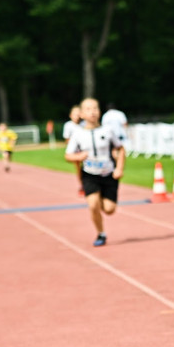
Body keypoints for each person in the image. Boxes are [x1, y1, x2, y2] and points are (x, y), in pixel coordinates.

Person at [64, 98, 125, 247]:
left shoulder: (108, 130)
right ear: (82, 114)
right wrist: (78, 156)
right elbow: (68, 155)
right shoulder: (77, 134)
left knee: (109, 210)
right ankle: (101, 233)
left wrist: (119, 168)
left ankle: (103, 200)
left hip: (109, 174)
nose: (92, 112)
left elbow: (121, 148)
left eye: (95, 108)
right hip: (90, 174)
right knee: (93, 205)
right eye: (88, 109)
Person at [63, 105, 84, 196]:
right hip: (75, 152)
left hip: (85, 150)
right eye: (75, 114)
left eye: (78, 114)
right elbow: (67, 139)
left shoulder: (85, 124)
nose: (77, 116)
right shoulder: (68, 125)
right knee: (79, 169)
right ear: (71, 115)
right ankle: (82, 185)